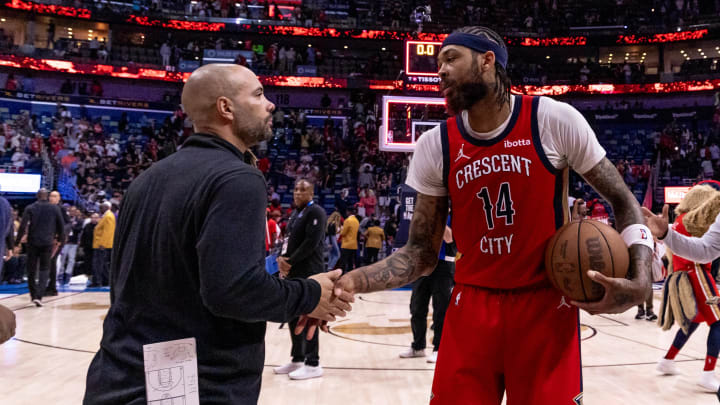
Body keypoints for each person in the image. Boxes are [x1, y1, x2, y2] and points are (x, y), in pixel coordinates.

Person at [324, 26, 653, 404]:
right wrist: (354, 280)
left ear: (487, 60)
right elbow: (420, 253)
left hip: (545, 305)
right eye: (438, 63)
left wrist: (642, 276)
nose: (441, 71)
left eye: (451, 58)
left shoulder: (552, 119)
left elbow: (624, 201)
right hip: (472, 306)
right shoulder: (436, 145)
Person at [83, 64, 352, 404]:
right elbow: (233, 291)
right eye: (258, 95)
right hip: (194, 383)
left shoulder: (145, 180)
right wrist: (310, 293)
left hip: (119, 375)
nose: (270, 104)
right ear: (226, 108)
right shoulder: (237, 178)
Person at [642, 186, 720, 392]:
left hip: (680, 273)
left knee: (692, 322)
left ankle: (667, 360)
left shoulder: (679, 219)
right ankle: (708, 373)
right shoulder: (693, 220)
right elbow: (704, 249)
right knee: (718, 322)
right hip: (696, 271)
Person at [275, 179, 328, 380]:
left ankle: (313, 363)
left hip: (309, 273)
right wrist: (281, 258)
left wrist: (290, 261)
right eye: (296, 189)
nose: (298, 193)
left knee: (309, 317)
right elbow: (288, 241)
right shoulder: (295, 214)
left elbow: (311, 243)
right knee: (292, 316)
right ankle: (297, 358)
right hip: (293, 272)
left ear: (311, 193)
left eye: (303, 190)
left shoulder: (316, 212)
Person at [400, 217, 454, 364]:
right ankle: (418, 347)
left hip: (443, 265)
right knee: (416, 307)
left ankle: (439, 349)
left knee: (440, 310)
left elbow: (449, 239)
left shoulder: (454, 215)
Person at [15, 189, 66, 307]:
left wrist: (17, 242)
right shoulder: (55, 208)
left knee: (31, 270)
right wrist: (60, 241)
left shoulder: (30, 207)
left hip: (33, 242)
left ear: (37, 196)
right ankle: (39, 296)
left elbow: (23, 226)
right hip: (47, 242)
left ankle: (33, 295)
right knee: (45, 269)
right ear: (47, 196)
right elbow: (61, 227)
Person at [46, 190, 69, 296]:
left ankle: (52, 286)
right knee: (48, 262)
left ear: (59, 198)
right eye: (51, 196)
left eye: (55, 196)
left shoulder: (61, 209)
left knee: (52, 261)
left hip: (57, 239)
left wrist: (60, 236)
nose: (52, 198)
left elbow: (67, 224)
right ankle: (48, 284)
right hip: (46, 238)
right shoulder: (46, 208)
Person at [89, 201, 114, 287]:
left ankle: (97, 282)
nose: (100, 210)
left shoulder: (108, 216)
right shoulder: (106, 216)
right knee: (102, 264)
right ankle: (106, 280)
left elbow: (108, 232)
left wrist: (103, 244)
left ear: (106, 208)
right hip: (100, 244)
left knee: (98, 264)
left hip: (102, 245)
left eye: (101, 208)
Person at [339, 207, 359, 273]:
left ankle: (342, 277)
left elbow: (343, 233)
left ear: (348, 212)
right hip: (354, 245)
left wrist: (340, 229)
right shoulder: (356, 221)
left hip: (346, 244)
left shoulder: (347, 220)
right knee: (351, 263)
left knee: (343, 263)